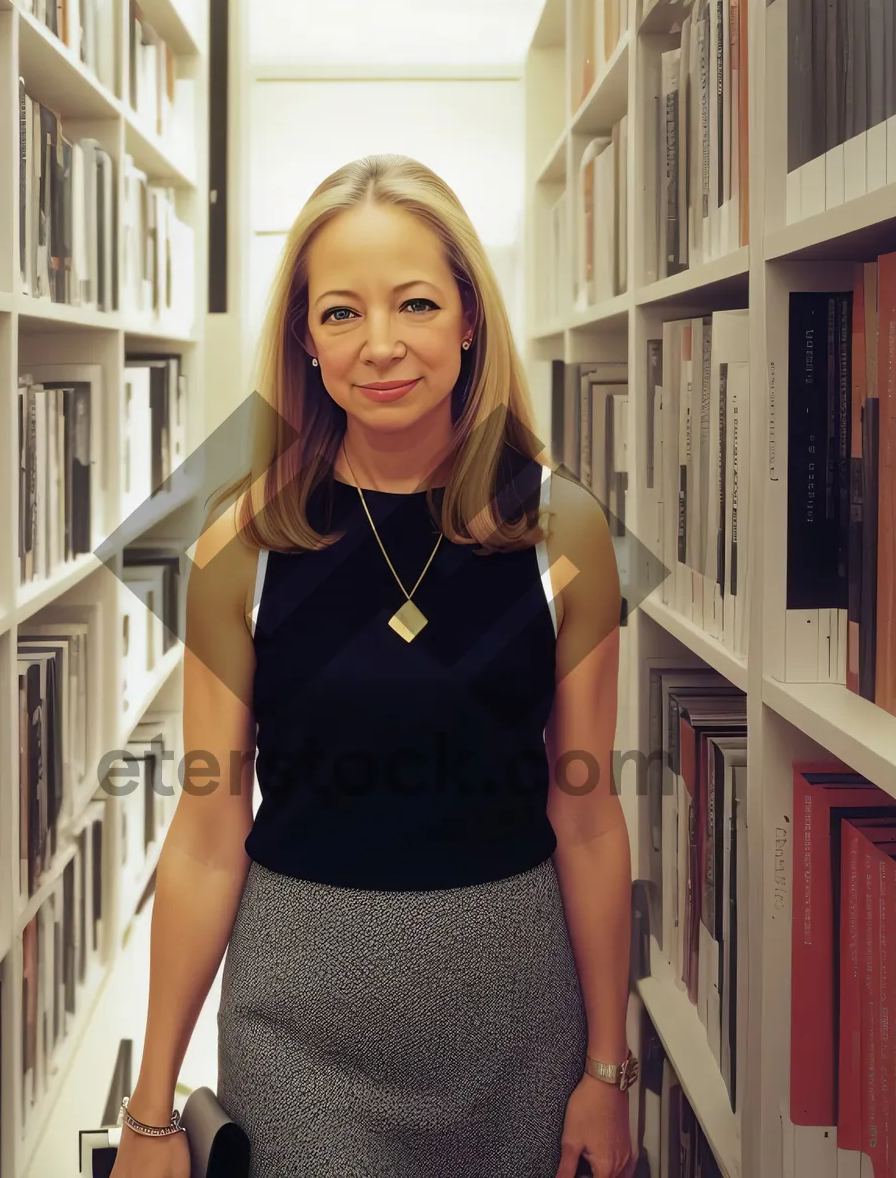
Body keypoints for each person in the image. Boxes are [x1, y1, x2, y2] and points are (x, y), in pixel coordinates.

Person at [109, 154, 634, 1178]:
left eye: (417, 303)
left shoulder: (565, 527)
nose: (381, 345)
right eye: (342, 313)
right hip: (298, 1023)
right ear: (305, 338)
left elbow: (589, 809)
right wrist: (152, 1108)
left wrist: (606, 1072)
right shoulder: (238, 541)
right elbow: (211, 828)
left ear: (471, 319)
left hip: (517, 1016)